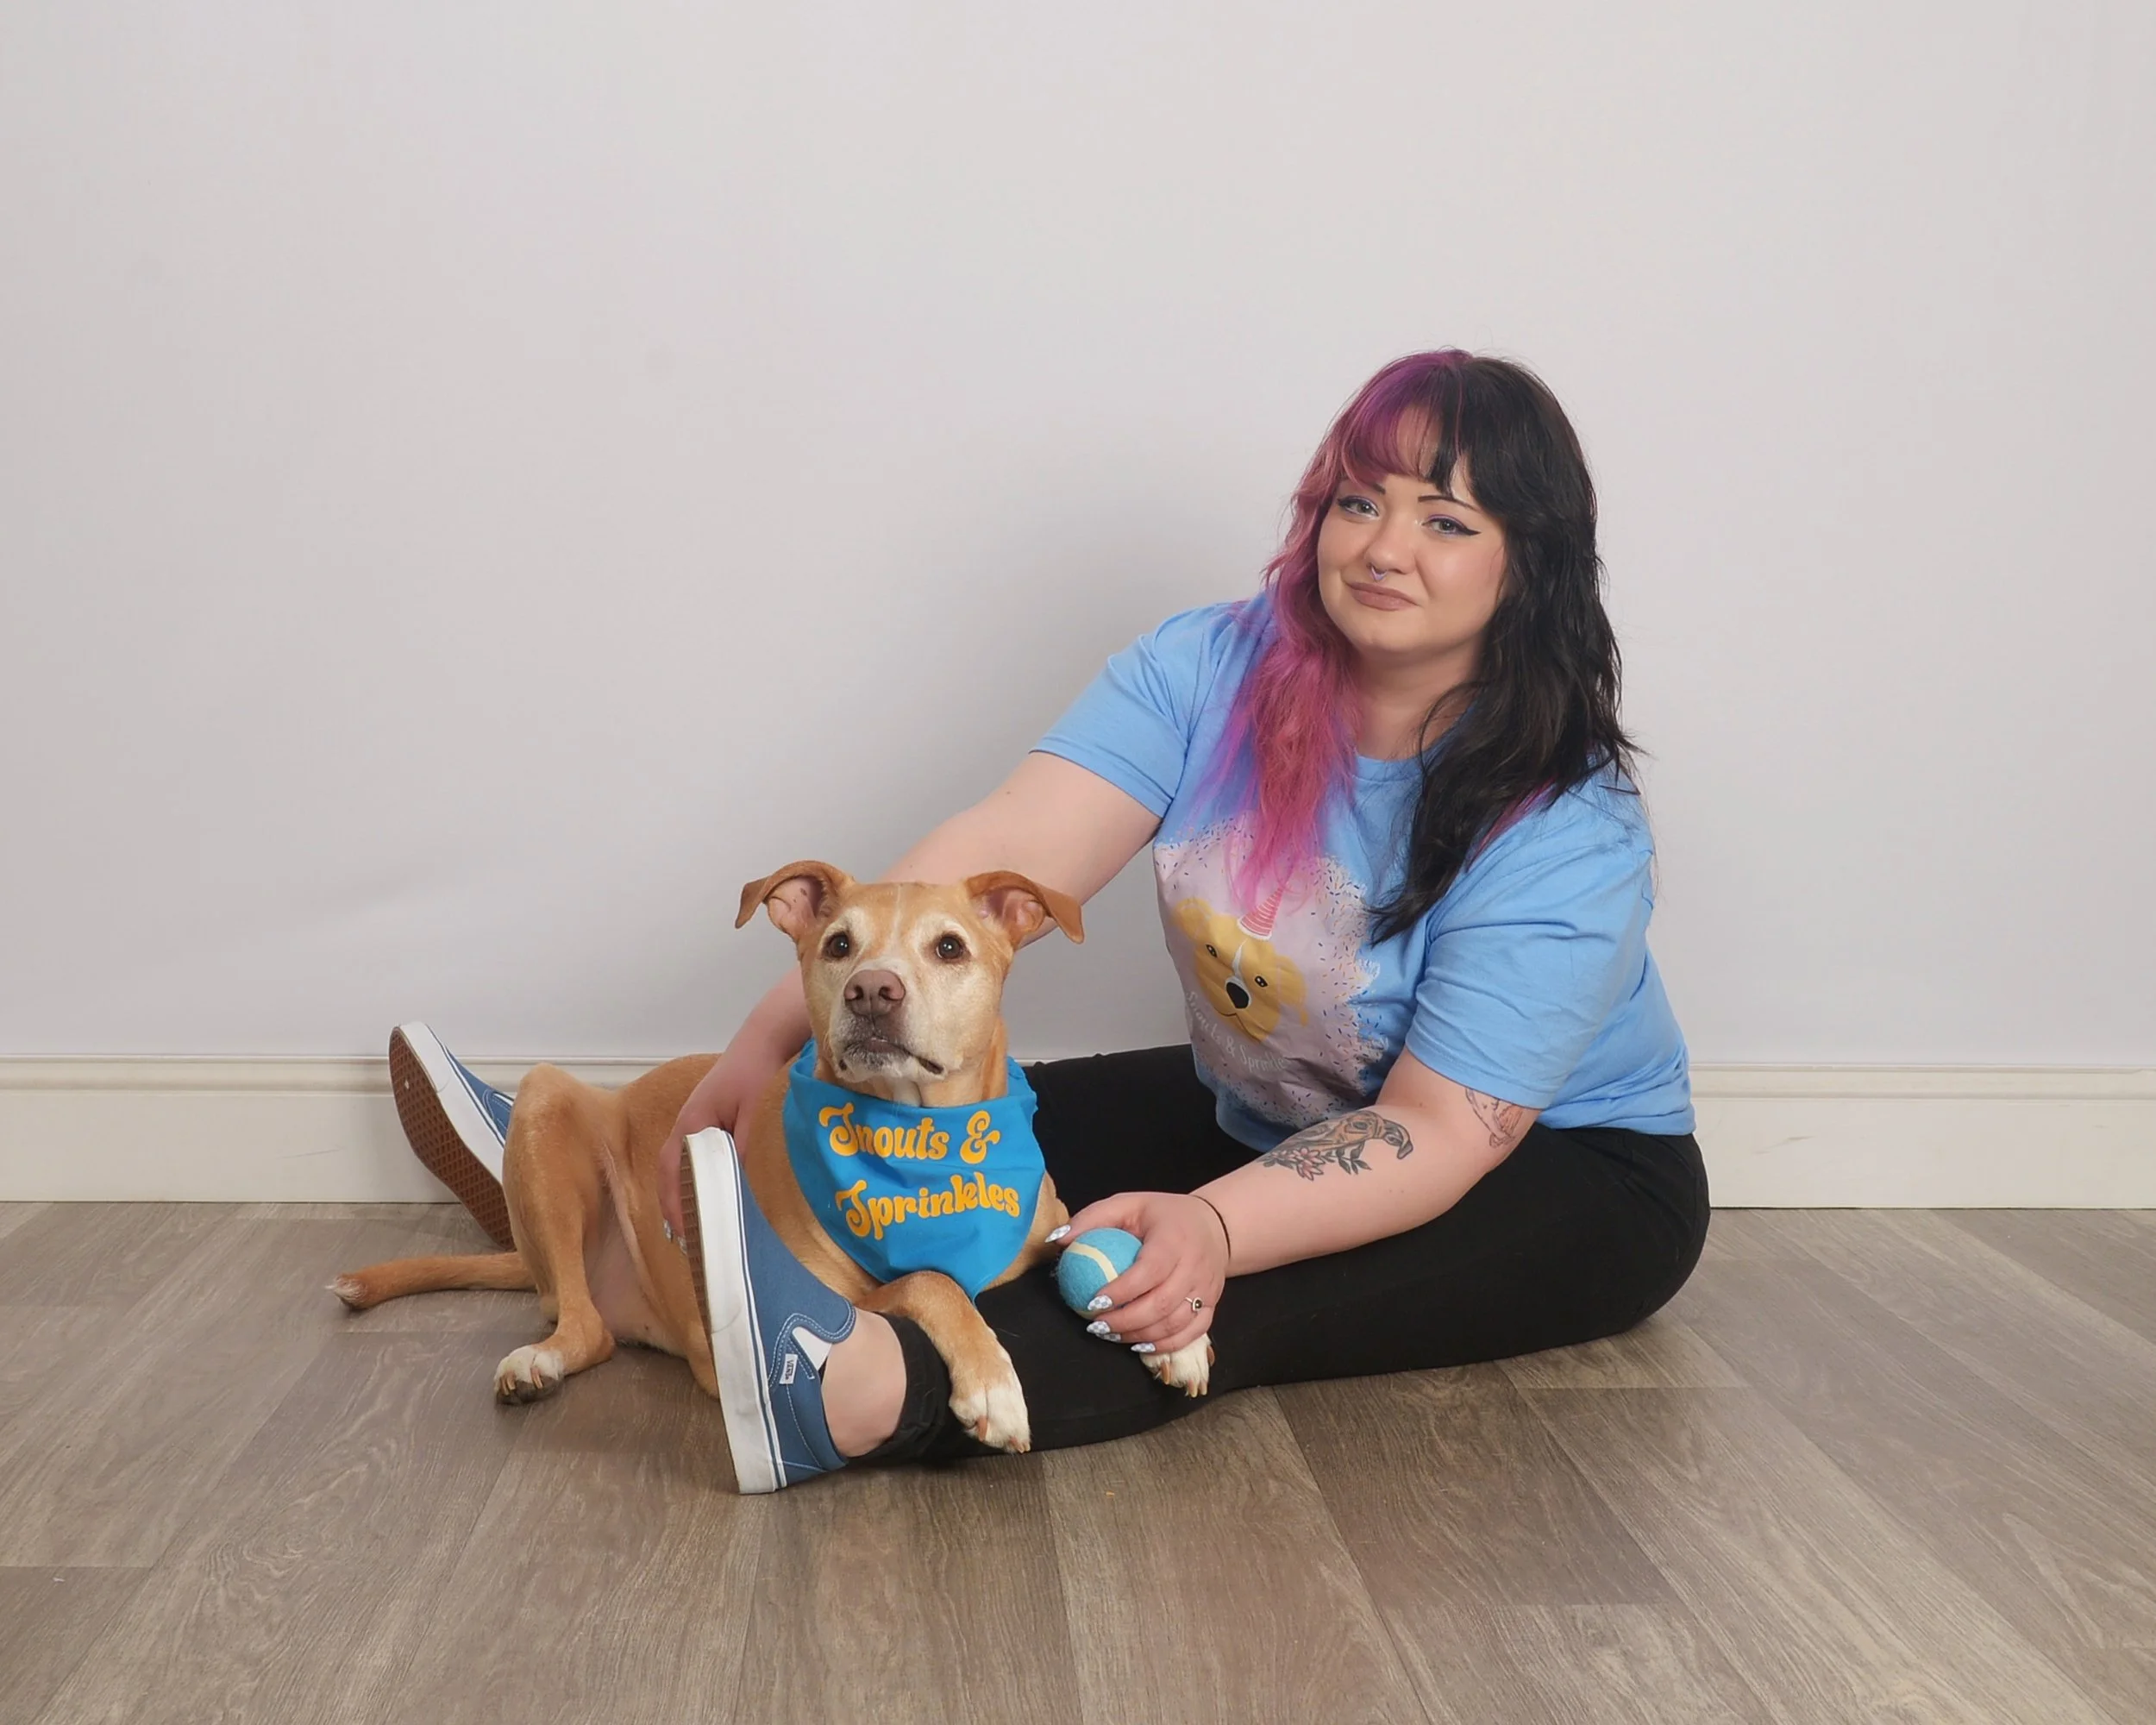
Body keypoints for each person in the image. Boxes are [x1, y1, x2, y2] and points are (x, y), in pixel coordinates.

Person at [398, 348, 1707, 1492]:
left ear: (1531, 566)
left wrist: (1219, 1224)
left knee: (1202, 1287)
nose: (1382, 547)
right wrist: (759, 1049)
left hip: (1556, 1171)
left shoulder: (1565, 826)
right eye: (1359, 501)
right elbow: (995, 852)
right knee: (938, 1124)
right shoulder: (1214, 667)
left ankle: (855, 1390)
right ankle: (598, 1189)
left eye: (1446, 521)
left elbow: (1436, 1133)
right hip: (1274, 1103)